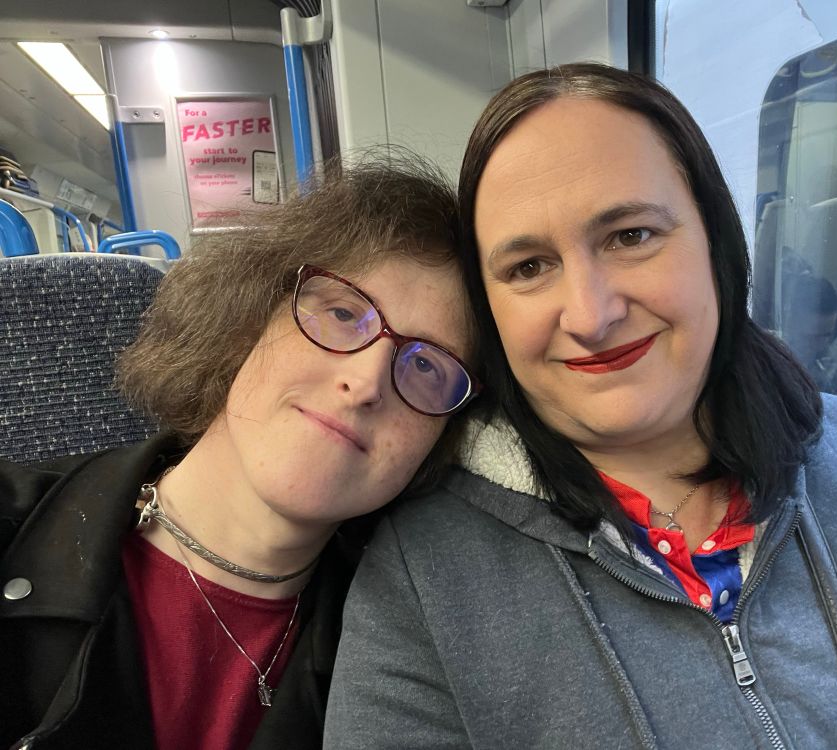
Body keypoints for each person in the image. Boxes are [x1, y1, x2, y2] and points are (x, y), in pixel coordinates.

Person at [325, 64, 837, 748]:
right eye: (528, 267)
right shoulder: (422, 585)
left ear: (716, 240)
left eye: (631, 236)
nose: (590, 315)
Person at [0, 153, 480, 750]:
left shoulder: (422, 652)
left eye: (428, 367)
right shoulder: (12, 527)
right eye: (341, 313)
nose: (365, 383)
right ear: (246, 320)